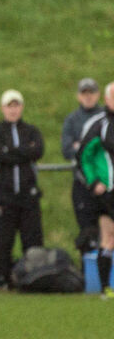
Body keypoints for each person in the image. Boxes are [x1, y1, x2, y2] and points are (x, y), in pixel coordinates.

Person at [0, 89, 45, 288]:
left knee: (33, 239)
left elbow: (37, 151)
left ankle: (35, 277)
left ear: (22, 107)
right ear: (3, 108)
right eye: (9, 106)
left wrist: (12, 151)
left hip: (28, 195)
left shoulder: (32, 131)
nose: (13, 110)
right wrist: (23, 152)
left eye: (16, 105)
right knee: (3, 240)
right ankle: (2, 278)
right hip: (4, 195)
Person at [77, 81, 114, 297]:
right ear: (107, 100)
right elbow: (83, 157)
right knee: (108, 237)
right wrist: (94, 183)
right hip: (108, 192)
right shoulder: (99, 125)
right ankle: (104, 289)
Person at [61, 78, 104, 252]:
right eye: (84, 93)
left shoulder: (106, 116)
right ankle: (88, 272)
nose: (88, 97)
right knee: (86, 231)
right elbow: (67, 150)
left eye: (91, 93)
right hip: (82, 184)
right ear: (78, 96)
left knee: (107, 230)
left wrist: (82, 147)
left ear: (98, 95)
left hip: (104, 184)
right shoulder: (72, 120)